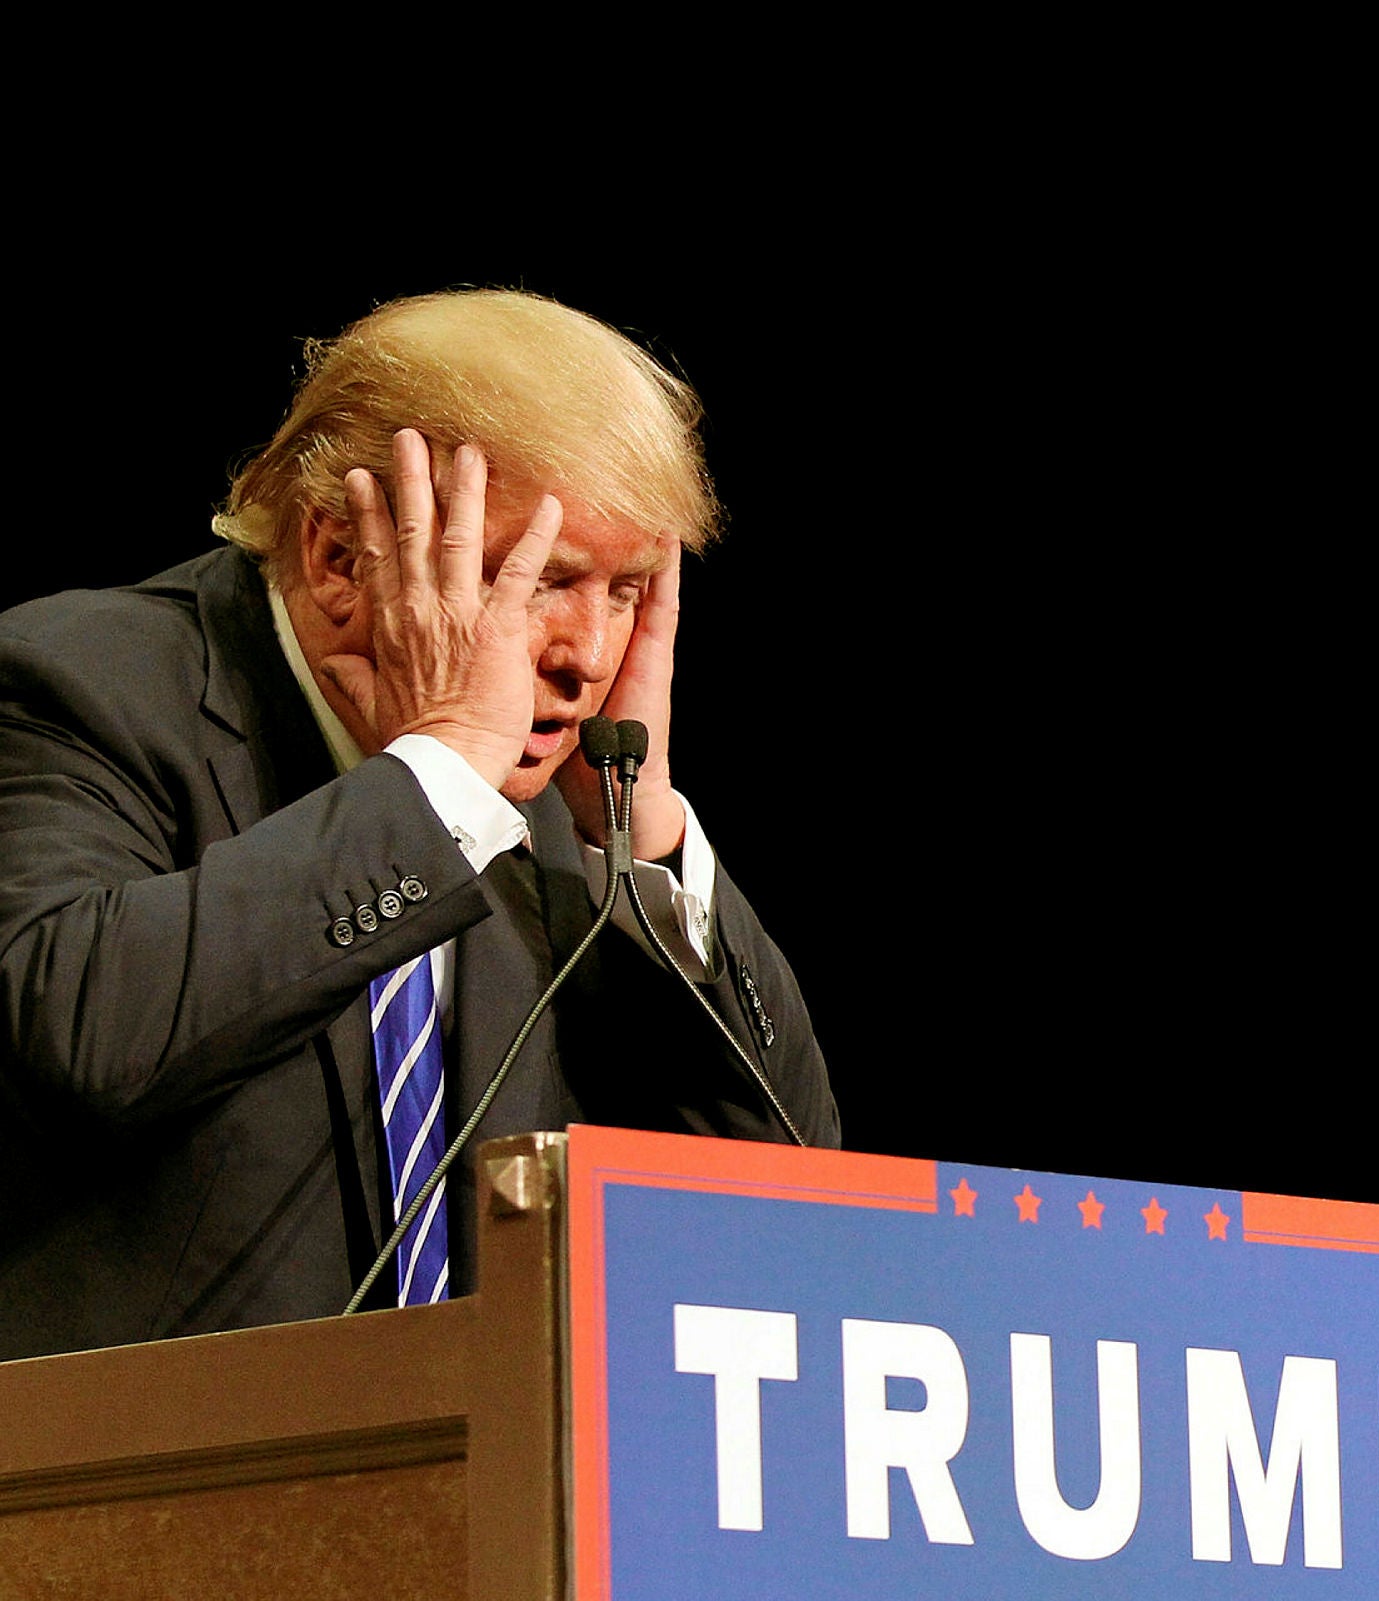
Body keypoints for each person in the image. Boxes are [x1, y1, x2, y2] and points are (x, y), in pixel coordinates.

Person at [0, 290, 838, 1361]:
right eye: (536, 579)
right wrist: (436, 778)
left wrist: (641, 835)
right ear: (339, 558)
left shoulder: (564, 811)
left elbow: (793, 1189)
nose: (586, 656)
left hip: (485, 1456)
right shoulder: (80, 684)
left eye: (626, 589)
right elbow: (76, 1035)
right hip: (149, 1457)